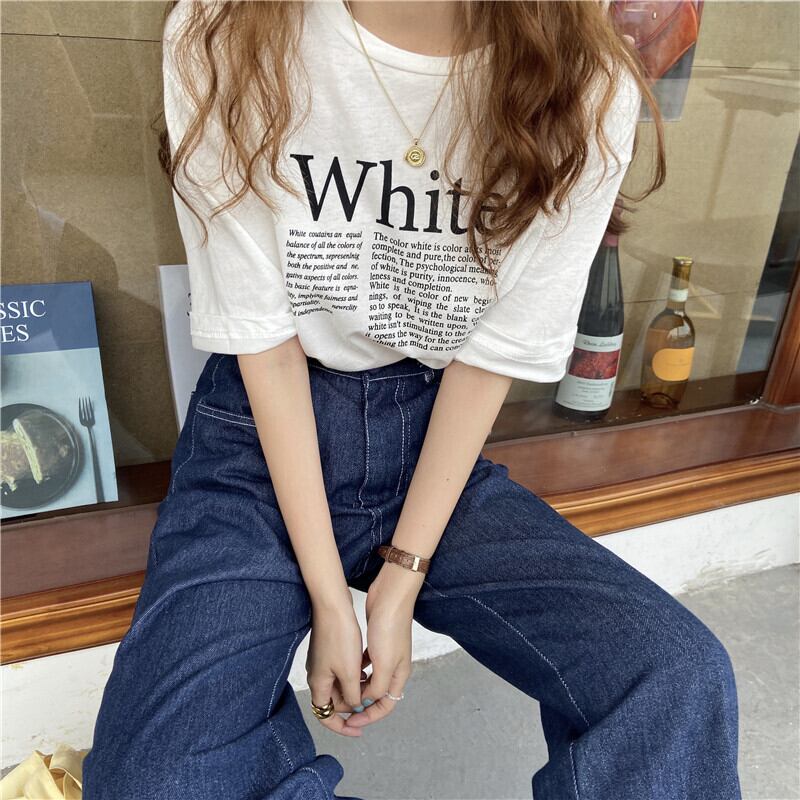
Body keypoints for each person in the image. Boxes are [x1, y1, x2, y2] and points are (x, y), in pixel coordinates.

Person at [83, 1, 743, 798]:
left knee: (675, 678)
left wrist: (400, 580)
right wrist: (332, 600)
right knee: (153, 779)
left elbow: (486, 362)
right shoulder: (229, 26)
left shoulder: (585, 80)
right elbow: (266, 344)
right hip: (258, 440)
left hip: (432, 441)